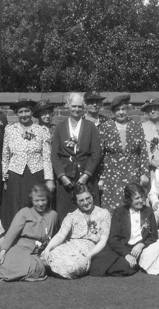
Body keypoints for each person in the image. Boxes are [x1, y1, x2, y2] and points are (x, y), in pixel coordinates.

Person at [1, 98, 54, 229]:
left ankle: (37, 236)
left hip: (36, 173)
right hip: (15, 174)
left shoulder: (41, 130)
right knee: (15, 205)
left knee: (35, 203)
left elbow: (47, 156)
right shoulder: (10, 129)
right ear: (16, 114)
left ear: (32, 112)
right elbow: (5, 154)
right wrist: (5, 175)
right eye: (20, 112)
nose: (24, 114)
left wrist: (49, 179)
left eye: (27, 111)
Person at [40, 184, 111, 279]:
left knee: (72, 267)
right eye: (81, 200)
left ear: (92, 195)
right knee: (48, 255)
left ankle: (52, 269)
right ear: (76, 202)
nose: (86, 202)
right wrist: (48, 249)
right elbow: (60, 235)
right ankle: (52, 267)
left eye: (88, 198)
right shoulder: (72, 216)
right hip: (69, 246)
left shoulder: (103, 213)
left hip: (86, 251)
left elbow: (103, 240)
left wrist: (90, 255)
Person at [51, 93, 102, 224]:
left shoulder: (90, 126)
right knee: (66, 210)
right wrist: (62, 176)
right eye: (74, 106)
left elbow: (96, 153)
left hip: (86, 175)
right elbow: (54, 155)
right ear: (67, 106)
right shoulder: (60, 127)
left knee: (88, 208)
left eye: (80, 106)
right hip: (66, 176)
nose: (77, 109)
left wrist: (86, 175)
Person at [90, 183, 158, 277]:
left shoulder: (148, 211)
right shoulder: (119, 212)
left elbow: (154, 235)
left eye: (142, 197)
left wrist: (141, 244)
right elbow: (113, 238)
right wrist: (126, 254)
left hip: (138, 249)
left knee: (125, 266)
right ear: (129, 199)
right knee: (97, 263)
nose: (141, 200)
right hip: (123, 247)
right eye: (137, 198)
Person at [0, 183, 58, 282]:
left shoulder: (53, 215)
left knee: (38, 269)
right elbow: (11, 233)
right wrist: (2, 253)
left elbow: (54, 236)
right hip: (21, 248)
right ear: (31, 200)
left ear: (48, 199)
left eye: (43, 200)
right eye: (36, 200)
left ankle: (20, 275)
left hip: (38, 251)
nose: (40, 204)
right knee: (2, 267)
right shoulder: (24, 212)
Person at [98, 94, 150, 212]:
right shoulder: (105, 127)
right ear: (113, 112)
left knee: (132, 200)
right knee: (112, 205)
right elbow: (100, 154)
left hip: (132, 170)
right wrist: (100, 177)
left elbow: (143, 151)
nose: (121, 112)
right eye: (117, 110)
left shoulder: (136, 126)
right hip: (111, 173)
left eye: (123, 109)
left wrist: (145, 173)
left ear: (127, 110)